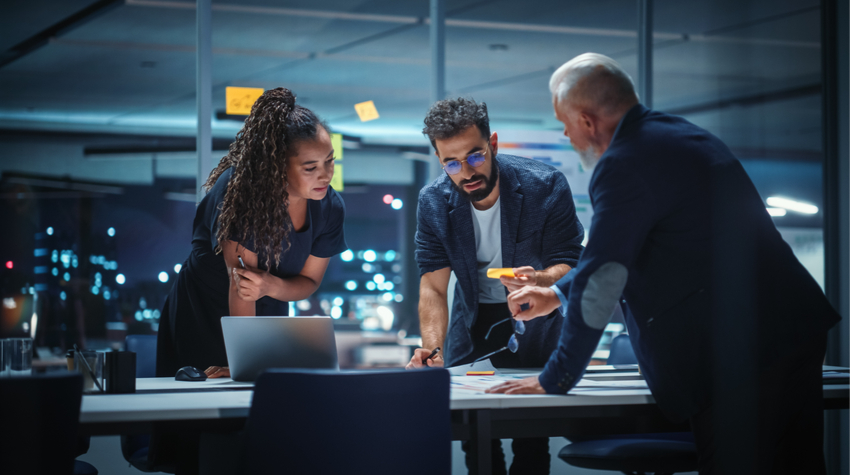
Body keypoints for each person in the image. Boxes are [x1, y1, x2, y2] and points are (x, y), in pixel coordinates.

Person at [486, 53, 841, 474]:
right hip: (785, 331)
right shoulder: (681, 137)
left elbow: (603, 276)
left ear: (586, 120)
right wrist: (556, 294)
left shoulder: (624, 162)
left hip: (741, 352)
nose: (564, 134)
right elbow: (625, 251)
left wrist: (555, 378)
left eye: (564, 123)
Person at [407, 97, 584, 474]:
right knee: (477, 443)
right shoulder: (433, 202)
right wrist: (432, 348)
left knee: (531, 442)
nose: (466, 171)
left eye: (475, 156)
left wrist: (542, 279)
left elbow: (570, 261)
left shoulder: (544, 186)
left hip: (534, 318)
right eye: (451, 163)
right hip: (471, 327)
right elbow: (433, 287)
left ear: (494, 144)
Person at [155, 87, 347, 380]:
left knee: (264, 401)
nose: (325, 174)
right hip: (205, 311)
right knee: (202, 403)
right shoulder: (243, 195)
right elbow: (242, 288)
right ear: (278, 166)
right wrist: (241, 362)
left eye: (329, 161)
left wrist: (271, 287)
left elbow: (309, 281)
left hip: (269, 311)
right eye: (310, 167)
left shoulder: (329, 207)